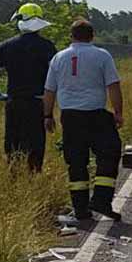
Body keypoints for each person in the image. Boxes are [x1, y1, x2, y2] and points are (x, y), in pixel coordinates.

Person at [42, 19, 123, 221]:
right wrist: (118, 112)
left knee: (76, 161)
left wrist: (47, 115)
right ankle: (101, 199)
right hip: (95, 114)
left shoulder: (58, 58)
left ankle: (80, 208)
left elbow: (49, 90)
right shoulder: (102, 55)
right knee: (109, 154)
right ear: (92, 36)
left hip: (70, 116)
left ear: (71, 36)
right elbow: (113, 86)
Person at [0, 3, 57, 172]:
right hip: (37, 103)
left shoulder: (8, 45)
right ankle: (33, 179)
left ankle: (14, 179)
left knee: (13, 148)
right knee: (35, 148)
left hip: (14, 103)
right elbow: (56, 75)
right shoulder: (47, 46)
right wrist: (49, 112)